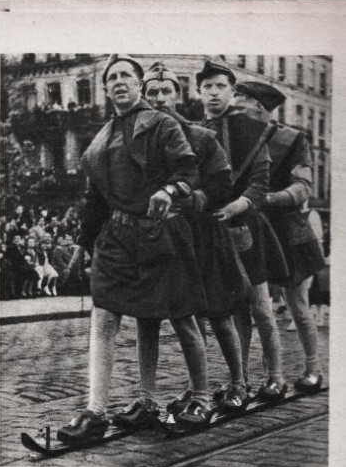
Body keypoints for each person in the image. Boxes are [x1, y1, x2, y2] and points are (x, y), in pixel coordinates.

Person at [55, 54, 206, 446]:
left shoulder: (163, 124)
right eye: (113, 77)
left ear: (139, 85)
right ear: (106, 88)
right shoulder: (102, 139)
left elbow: (189, 170)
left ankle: (199, 397)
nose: (120, 81)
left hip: (162, 236)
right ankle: (95, 412)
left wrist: (169, 190)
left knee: (178, 318)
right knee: (103, 321)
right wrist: (81, 244)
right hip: (118, 241)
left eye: (127, 75)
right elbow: (97, 200)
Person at [130, 61, 251, 421]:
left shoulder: (200, 137)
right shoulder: (138, 144)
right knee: (174, 315)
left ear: (178, 95)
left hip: (202, 236)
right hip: (160, 238)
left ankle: (239, 383)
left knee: (217, 312)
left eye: (166, 91)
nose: (159, 98)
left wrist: (188, 202)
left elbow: (221, 186)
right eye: (152, 91)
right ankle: (181, 390)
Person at [197, 59, 288, 397]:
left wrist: (238, 204)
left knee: (261, 307)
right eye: (208, 87)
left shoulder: (252, 132)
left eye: (221, 86)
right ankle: (241, 380)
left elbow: (261, 184)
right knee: (233, 310)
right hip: (215, 232)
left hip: (248, 226)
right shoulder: (195, 131)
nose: (214, 93)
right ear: (199, 93)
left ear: (232, 92)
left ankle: (275, 376)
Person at [233, 80, 326, 394]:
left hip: (287, 230)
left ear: (258, 105)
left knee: (297, 304)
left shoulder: (291, 138)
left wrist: (268, 199)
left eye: (240, 98)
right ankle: (243, 378)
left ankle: (313, 369)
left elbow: (303, 187)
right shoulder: (233, 135)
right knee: (246, 305)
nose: (234, 103)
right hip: (248, 228)